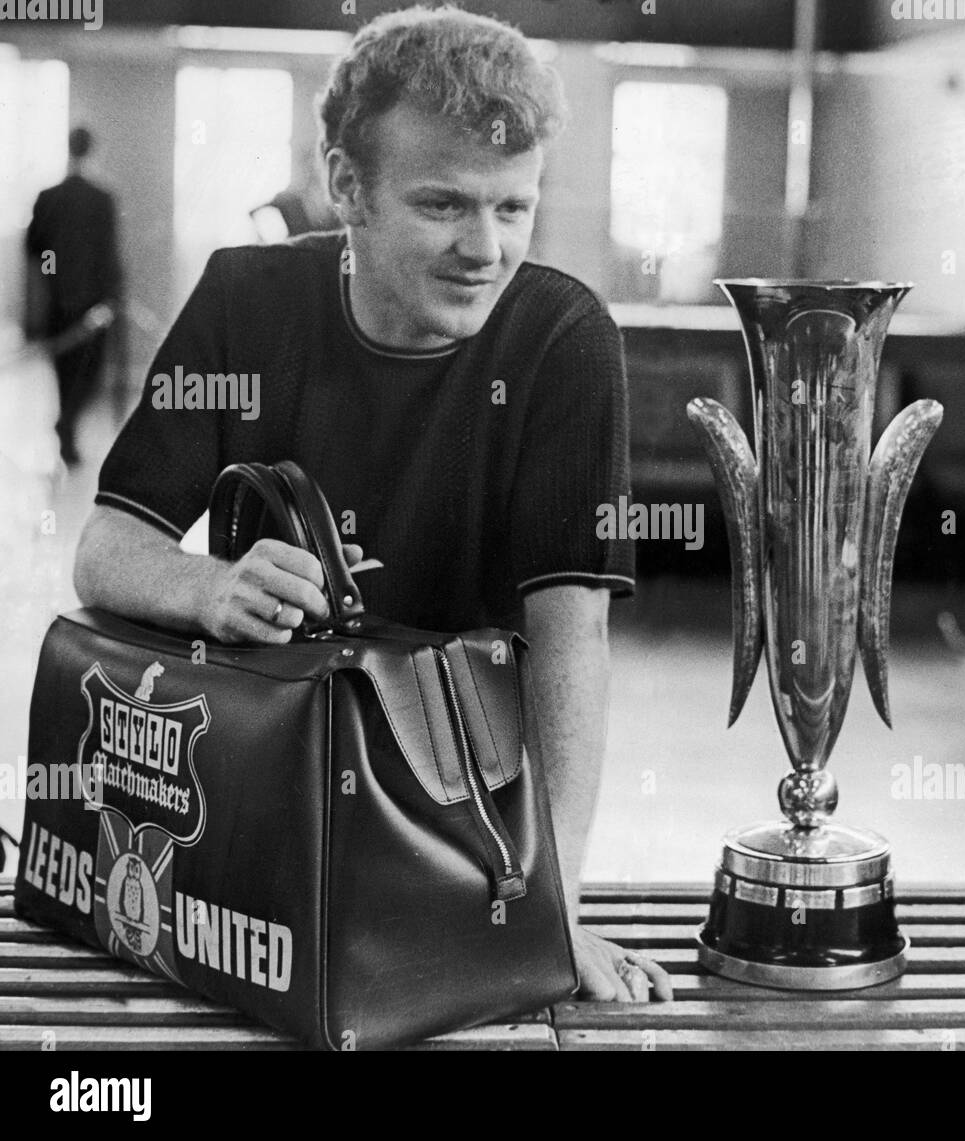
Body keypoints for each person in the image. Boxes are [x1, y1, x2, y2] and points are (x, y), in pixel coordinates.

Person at [72, 4, 671, 1004]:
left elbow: (571, 639)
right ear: (346, 186)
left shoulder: (561, 337)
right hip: (269, 803)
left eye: (512, 208)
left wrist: (547, 911)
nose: (485, 247)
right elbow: (106, 548)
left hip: (462, 822)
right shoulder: (245, 301)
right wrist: (210, 588)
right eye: (444, 205)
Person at [25, 125, 123, 465]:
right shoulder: (101, 198)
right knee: (87, 372)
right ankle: (67, 423)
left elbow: (39, 252)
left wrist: (54, 278)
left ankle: (66, 422)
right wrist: (108, 294)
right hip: (90, 299)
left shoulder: (49, 196)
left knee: (66, 372)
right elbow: (106, 254)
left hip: (63, 297)